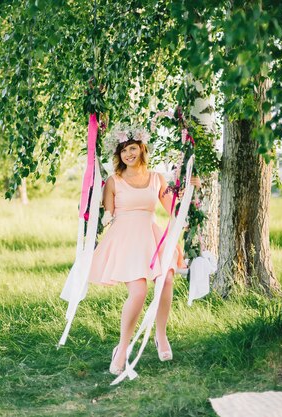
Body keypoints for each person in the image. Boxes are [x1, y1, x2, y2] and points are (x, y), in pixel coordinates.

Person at [87, 125, 201, 375]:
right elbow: (107, 213)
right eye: (124, 150)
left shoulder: (156, 178)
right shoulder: (113, 181)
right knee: (138, 292)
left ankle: (161, 335)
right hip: (126, 239)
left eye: (132, 148)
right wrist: (96, 207)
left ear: (141, 149)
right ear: (119, 154)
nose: (128, 154)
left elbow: (173, 207)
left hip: (150, 236)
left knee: (167, 278)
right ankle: (122, 347)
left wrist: (190, 189)